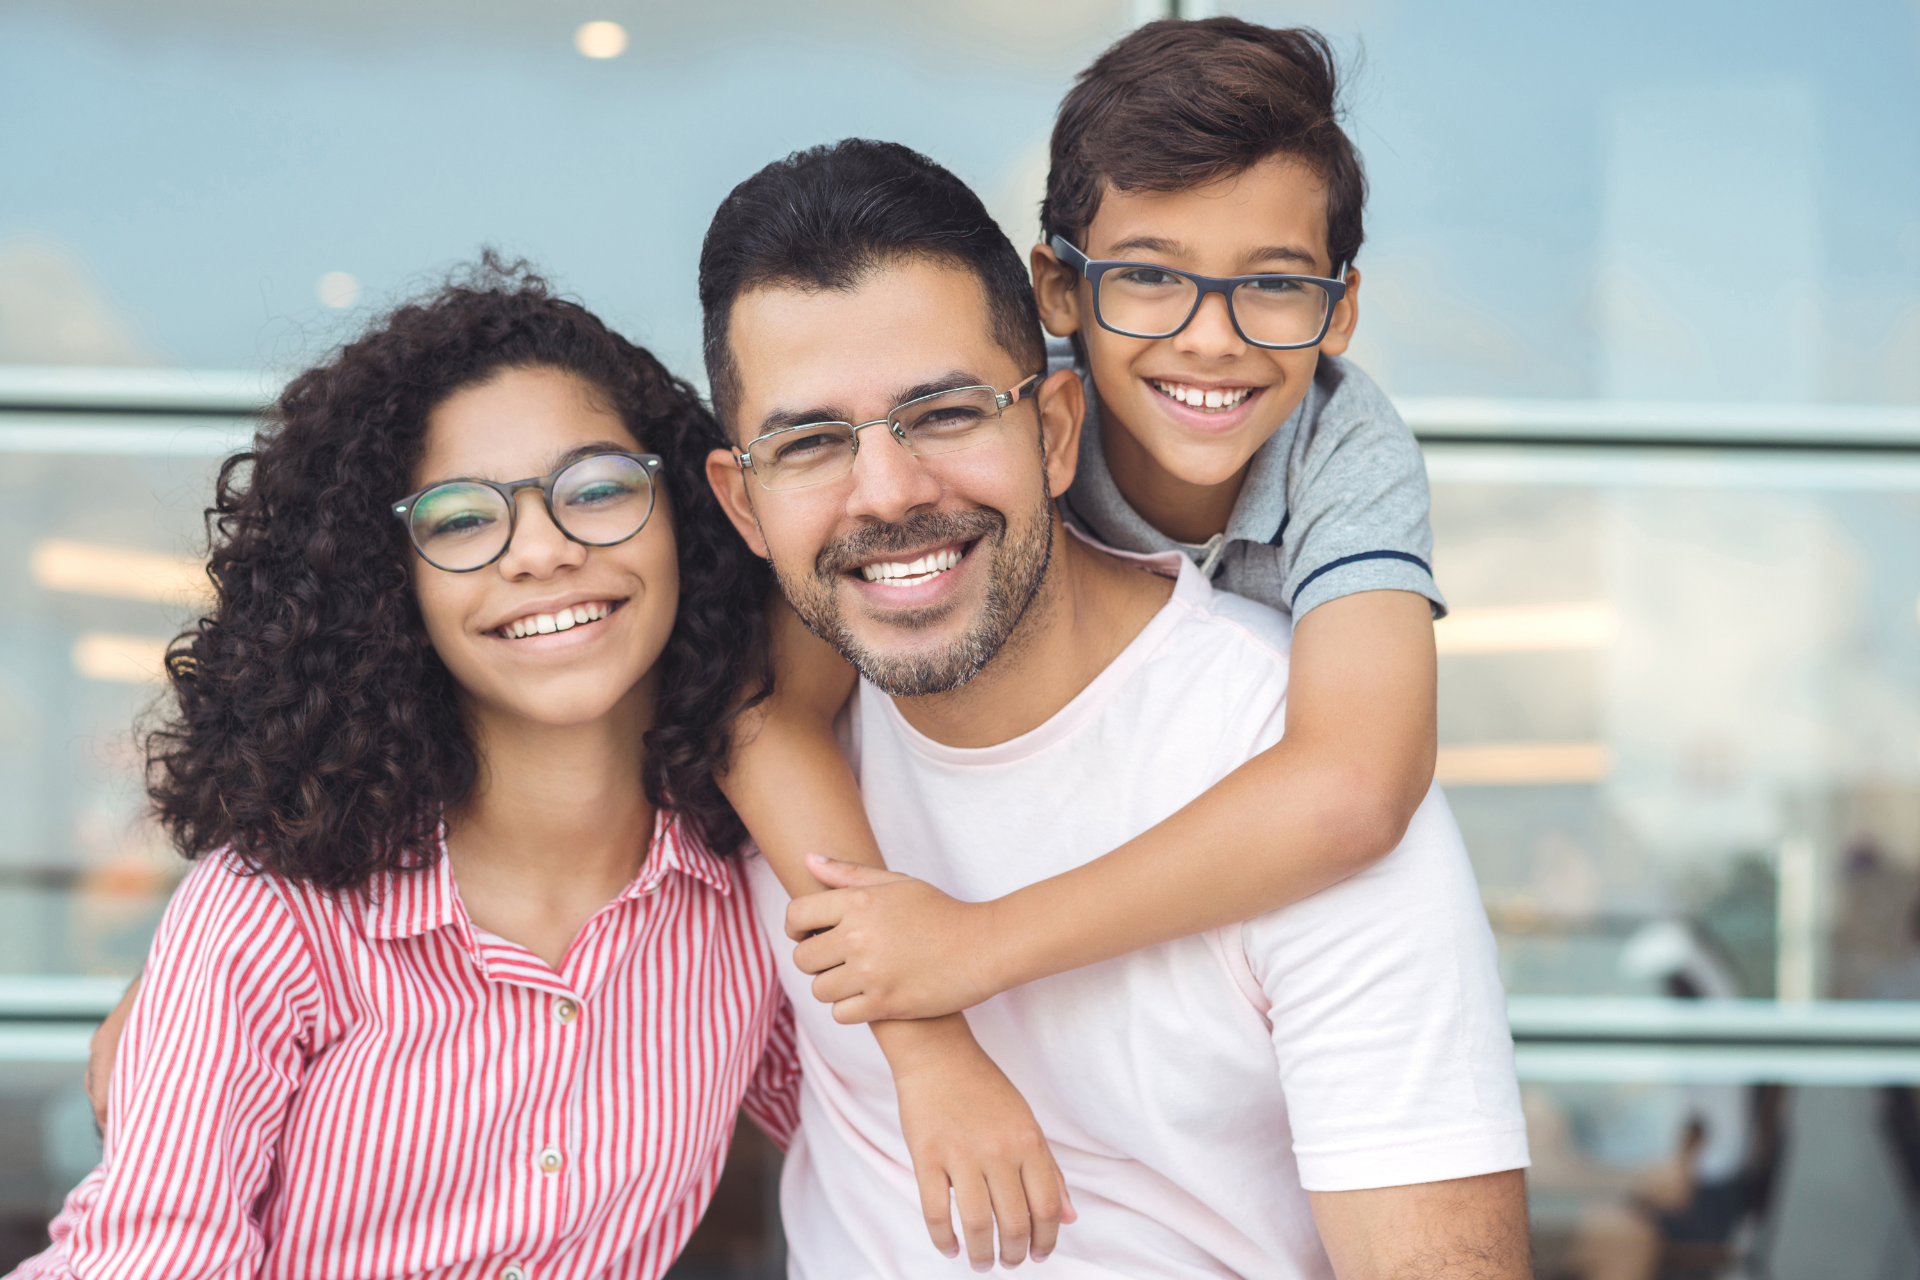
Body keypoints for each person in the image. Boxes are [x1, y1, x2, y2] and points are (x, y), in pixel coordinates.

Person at [701, 137, 1531, 1278]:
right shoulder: (769, 740)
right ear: (743, 503)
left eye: (944, 414)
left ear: (1052, 427)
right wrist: (926, 1037)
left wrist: (972, 950)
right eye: (810, 443)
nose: (887, 492)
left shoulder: (1279, 749)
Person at [23, 265, 799, 1279]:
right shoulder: (273, 913)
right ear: (392, 583)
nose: (543, 550)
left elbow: (893, 1131)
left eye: (600, 489)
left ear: (685, 518)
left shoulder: (746, 891)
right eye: (463, 518)